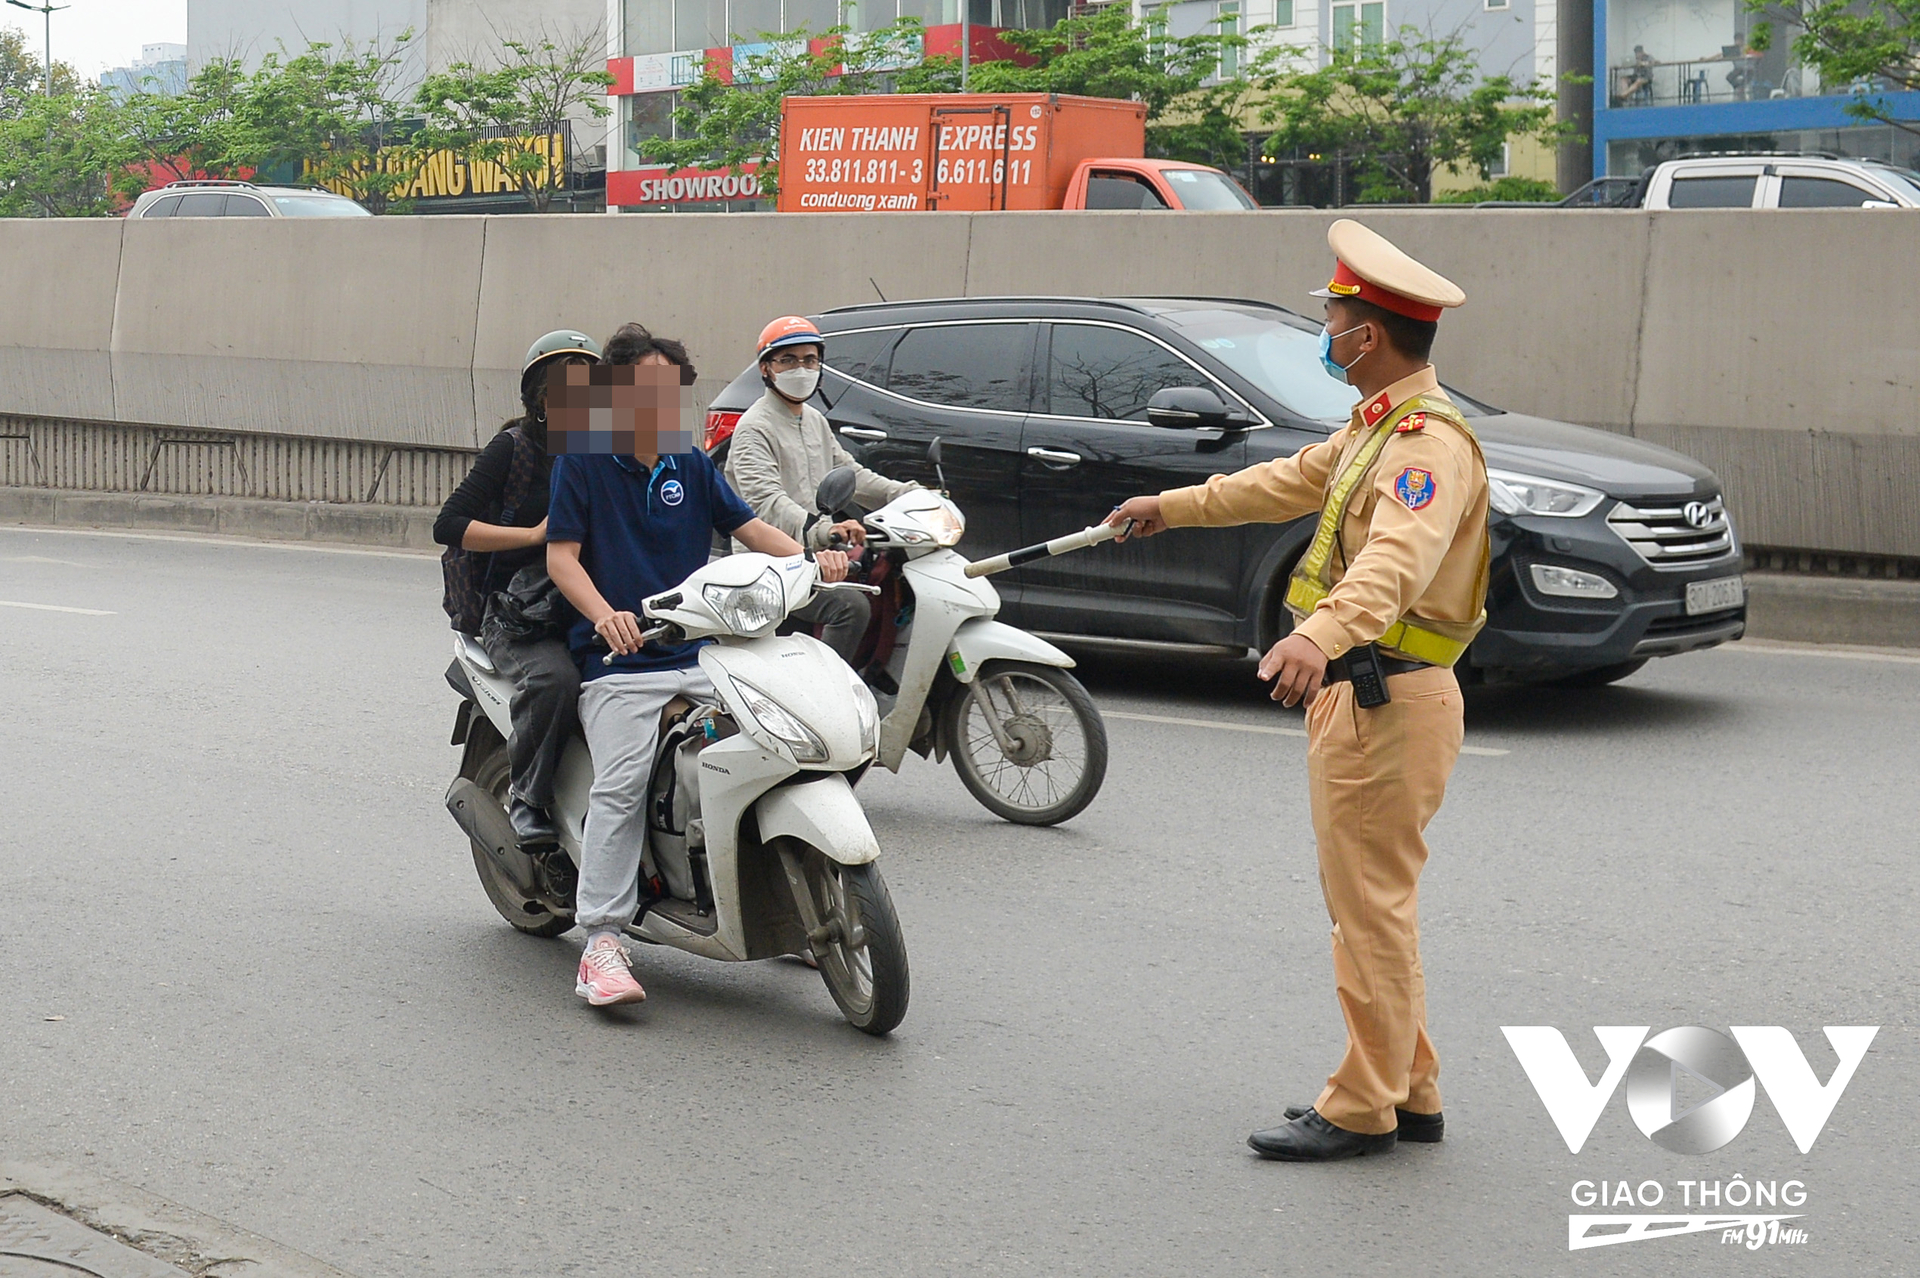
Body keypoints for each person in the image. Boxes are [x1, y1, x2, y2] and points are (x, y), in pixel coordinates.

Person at [1107, 220, 1489, 1162]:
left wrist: (1315, 635)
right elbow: (1282, 482)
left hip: (1382, 697)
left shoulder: (1423, 446)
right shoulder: (1376, 430)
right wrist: (1171, 506)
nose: (1326, 329)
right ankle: (1412, 1088)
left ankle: (1363, 1107)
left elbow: (1398, 561)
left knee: (1367, 909)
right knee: (1373, 906)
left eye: (1335, 316)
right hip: (1375, 696)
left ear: (1372, 334)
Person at [545, 336, 850, 1007]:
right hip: (620, 663)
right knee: (621, 785)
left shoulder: (687, 458)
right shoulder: (585, 459)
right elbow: (562, 558)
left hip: (706, 654)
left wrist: (811, 556)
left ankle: (784, 898)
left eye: (669, 391)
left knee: (781, 745)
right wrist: (605, 618)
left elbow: (749, 528)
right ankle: (600, 939)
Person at [434, 329, 601, 846]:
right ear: (541, 401)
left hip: (588, 601)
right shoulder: (514, 450)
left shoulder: (607, 454)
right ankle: (529, 797)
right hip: (518, 612)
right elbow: (449, 523)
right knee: (554, 681)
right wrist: (530, 535)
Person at [723, 315, 916, 663]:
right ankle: (823, 694)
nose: (801, 369)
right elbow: (768, 504)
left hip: (811, 557)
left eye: (810, 360)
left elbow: (851, 474)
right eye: (788, 360)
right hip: (768, 567)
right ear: (766, 369)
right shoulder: (754, 428)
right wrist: (827, 530)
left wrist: (907, 493)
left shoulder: (813, 420)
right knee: (851, 606)